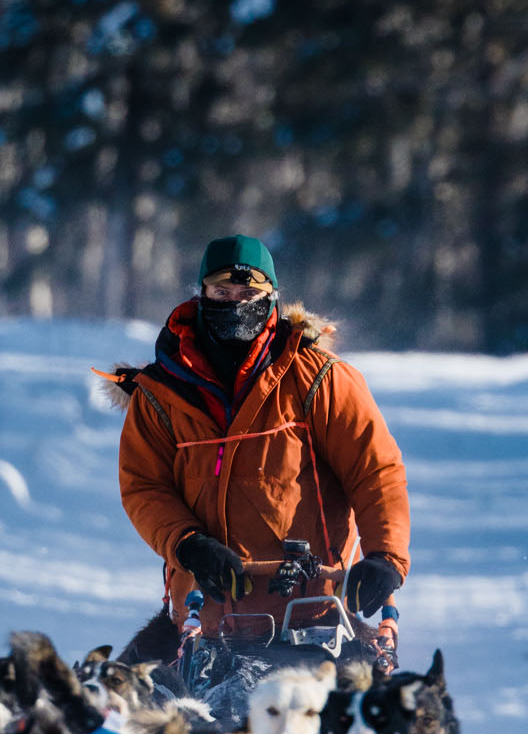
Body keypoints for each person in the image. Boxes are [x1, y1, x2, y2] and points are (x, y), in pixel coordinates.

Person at [106, 235, 410, 638]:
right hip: (202, 618)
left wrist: (385, 556)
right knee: (106, 680)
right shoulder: (161, 391)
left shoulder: (319, 378)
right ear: (201, 294)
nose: (236, 304)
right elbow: (144, 486)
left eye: (249, 294)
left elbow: (374, 470)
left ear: (272, 298)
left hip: (311, 616)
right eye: (222, 293)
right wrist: (189, 544)